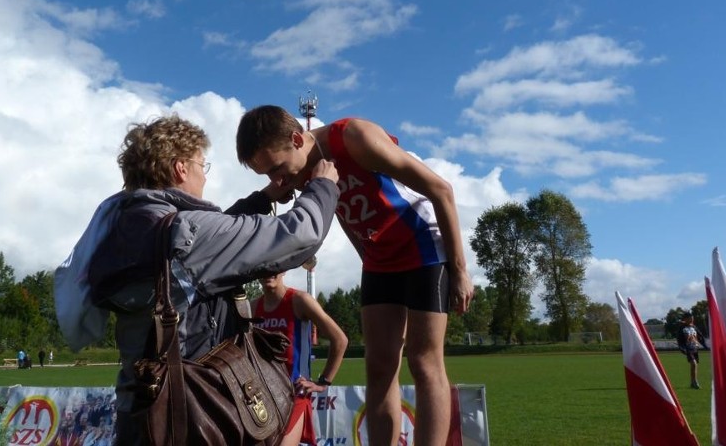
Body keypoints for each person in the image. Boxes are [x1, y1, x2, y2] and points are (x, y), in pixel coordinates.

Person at [78, 115, 340, 444]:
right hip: (193, 414)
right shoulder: (186, 233)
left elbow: (202, 253)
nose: (205, 174)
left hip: (141, 411)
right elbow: (299, 236)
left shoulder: (130, 225)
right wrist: (322, 187)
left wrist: (261, 200)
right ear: (180, 168)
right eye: (203, 165)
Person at [236, 105, 474, 446]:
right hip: (379, 259)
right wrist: (368, 260)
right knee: (378, 368)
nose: (278, 181)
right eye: (267, 176)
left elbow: (441, 191)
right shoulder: (306, 174)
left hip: (422, 245)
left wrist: (460, 270)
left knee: (423, 361)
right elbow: (346, 217)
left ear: (297, 139)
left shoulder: (353, 137)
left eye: (277, 168)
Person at [252, 271, 348, 446]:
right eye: (262, 268)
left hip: (294, 395)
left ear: (284, 269)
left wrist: (323, 382)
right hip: (262, 398)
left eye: (274, 266)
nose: (268, 273)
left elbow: (340, 340)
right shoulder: (252, 307)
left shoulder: (299, 300)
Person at [677, 311, 707, 389]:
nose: (692, 320)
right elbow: (679, 339)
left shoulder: (694, 327)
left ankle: (692, 382)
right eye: (690, 319)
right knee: (693, 364)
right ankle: (695, 382)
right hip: (688, 349)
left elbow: (700, 337)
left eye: (692, 319)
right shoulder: (682, 328)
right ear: (686, 319)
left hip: (695, 348)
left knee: (694, 365)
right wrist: (682, 348)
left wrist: (705, 345)